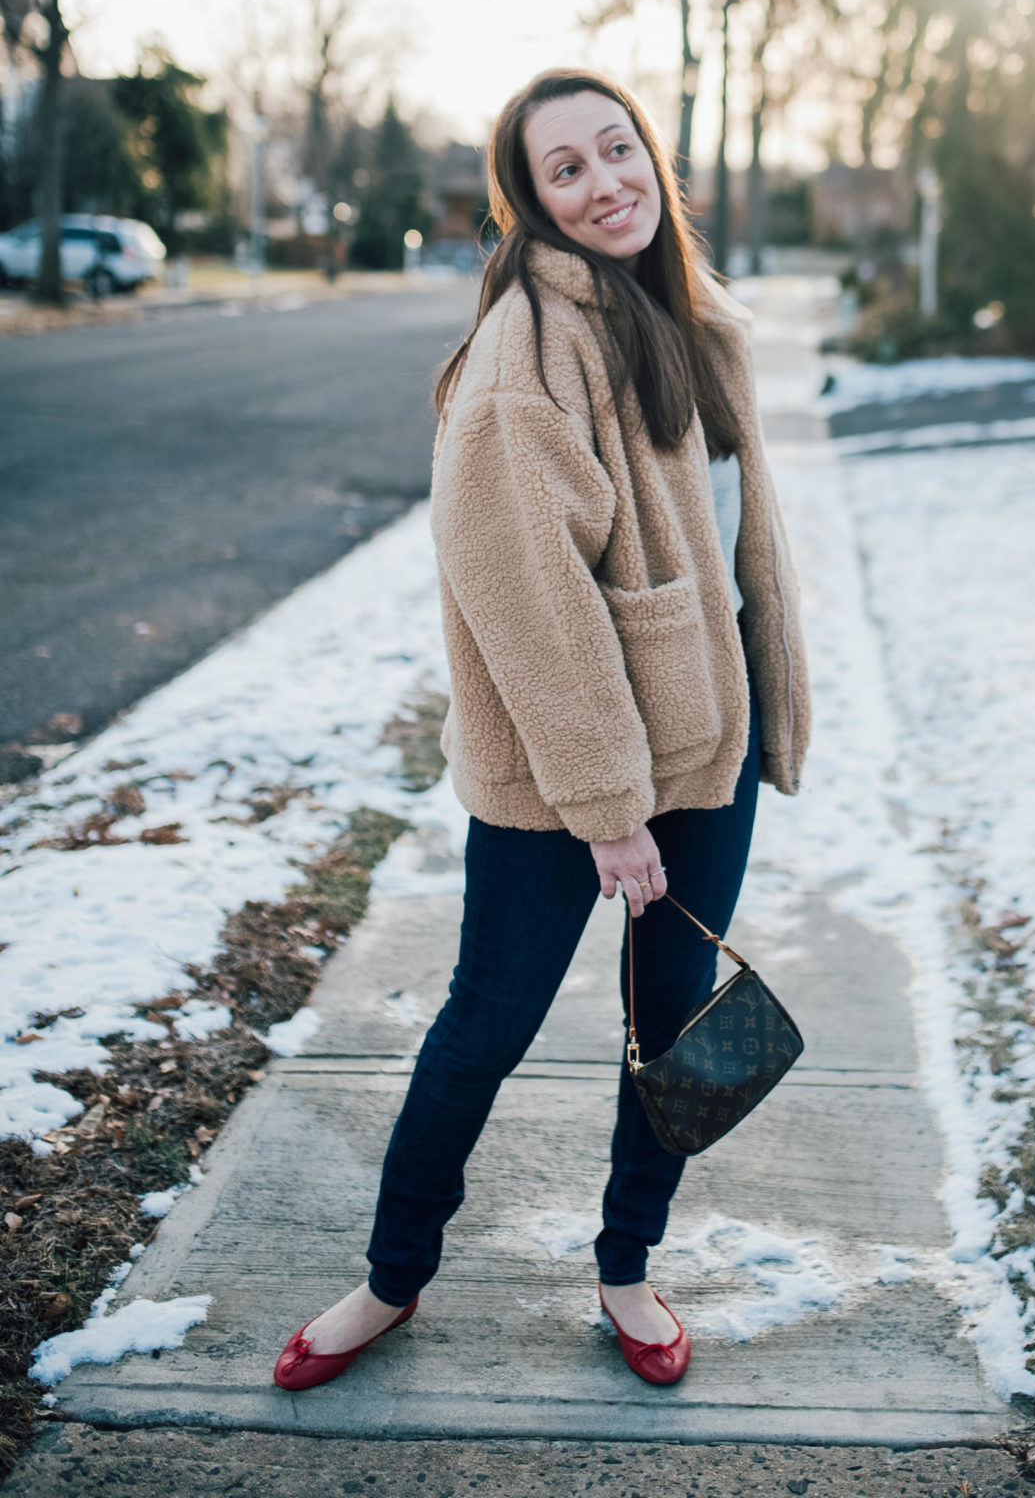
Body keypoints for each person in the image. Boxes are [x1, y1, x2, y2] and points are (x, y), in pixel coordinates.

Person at [273, 69, 811, 1392]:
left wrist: (764, 709)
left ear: (650, 155)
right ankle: (390, 1281)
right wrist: (609, 809)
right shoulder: (529, 353)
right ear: (530, 203)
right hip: (565, 780)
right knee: (488, 1023)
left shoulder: (687, 316)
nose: (604, 182)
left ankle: (628, 1263)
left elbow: (739, 549)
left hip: (706, 750)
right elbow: (528, 598)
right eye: (564, 169)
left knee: (674, 1028)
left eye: (617, 149)